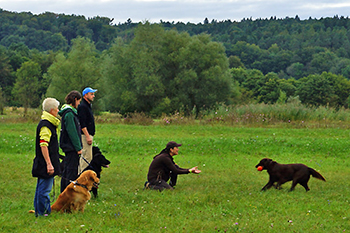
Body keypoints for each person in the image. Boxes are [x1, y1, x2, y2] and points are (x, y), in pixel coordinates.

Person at [32, 98, 61, 217]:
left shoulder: (48, 123)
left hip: (44, 162)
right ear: (52, 110)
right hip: (45, 163)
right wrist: (49, 164)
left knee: (41, 188)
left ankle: (39, 212)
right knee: (44, 190)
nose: (58, 111)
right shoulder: (46, 125)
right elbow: (43, 145)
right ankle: (43, 213)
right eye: (57, 109)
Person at [59, 90, 83, 193]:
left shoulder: (70, 113)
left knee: (67, 171)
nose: (79, 104)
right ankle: (68, 195)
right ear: (75, 100)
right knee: (71, 173)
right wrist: (78, 148)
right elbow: (72, 132)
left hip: (69, 147)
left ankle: (64, 194)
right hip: (71, 148)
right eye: (78, 101)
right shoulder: (69, 114)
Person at [77, 87, 97, 174]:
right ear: (85, 95)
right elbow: (82, 123)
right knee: (86, 157)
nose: (93, 96)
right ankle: (82, 175)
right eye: (91, 94)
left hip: (88, 135)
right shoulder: (83, 107)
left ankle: (81, 174)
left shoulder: (88, 106)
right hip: (85, 135)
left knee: (88, 156)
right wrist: (87, 136)